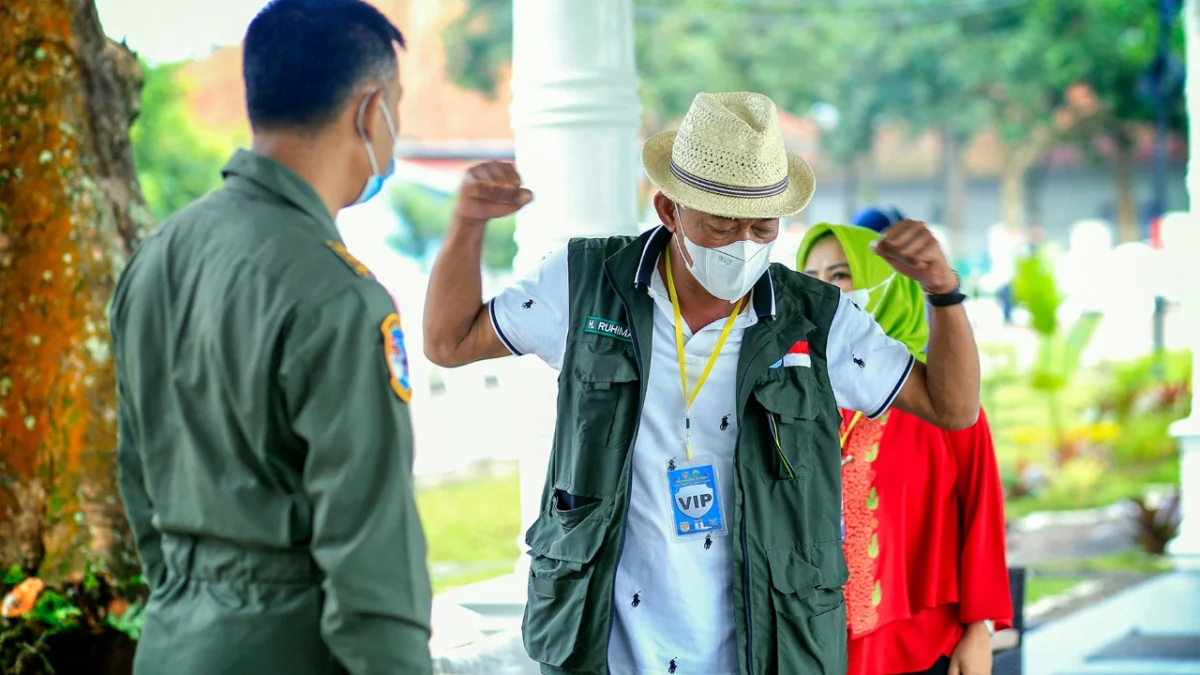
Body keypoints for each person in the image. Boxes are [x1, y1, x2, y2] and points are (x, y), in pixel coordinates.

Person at [424, 91, 982, 674]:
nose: (743, 243)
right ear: (669, 210)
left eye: (763, 226)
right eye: (720, 226)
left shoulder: (815, 318)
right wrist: (467, 225)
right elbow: (450, 340)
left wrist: (944, 294)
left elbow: (952, 406)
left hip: (761, 643)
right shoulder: (589, 284)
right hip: (610, 643)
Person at [108, 1, 432, 674]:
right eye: (397, 108)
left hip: (171, 645)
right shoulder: (341, 296)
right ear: (370, 110)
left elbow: (138, 485)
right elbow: (373, 575)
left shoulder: (158, 256)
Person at [798, 223, 1013, 675]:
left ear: (888, 282)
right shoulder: (793, 392)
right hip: (814, 643)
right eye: (810, 276)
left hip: (924, 641)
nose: (822, 291)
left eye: (840, 275)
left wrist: (980, 631)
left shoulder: (944, 397)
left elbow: (981, 512)